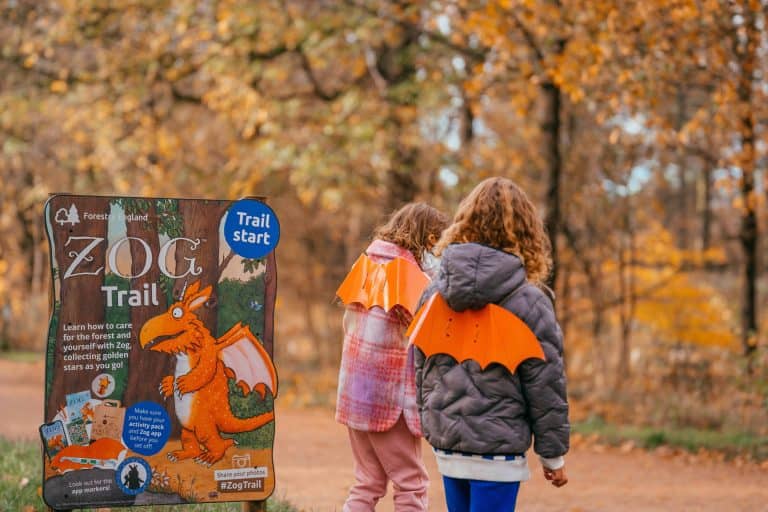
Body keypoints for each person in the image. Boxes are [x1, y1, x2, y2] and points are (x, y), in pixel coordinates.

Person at [413, 177, 569, 512]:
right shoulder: (528, 302)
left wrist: (430, 420)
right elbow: (546, 384)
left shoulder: (434, 294)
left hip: (449, 446)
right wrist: (552, 454)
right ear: (527, 231)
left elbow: (420, 364)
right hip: (497, 452)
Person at [335, 202, 449, 512]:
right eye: (437, 242)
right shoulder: (409, 276)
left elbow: (348, 325)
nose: (439, 250)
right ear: (426, 239)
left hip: (356, 394)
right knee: (412, 484)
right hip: (390, 402)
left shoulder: (367, 265)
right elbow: (429, 330)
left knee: (368, 481)